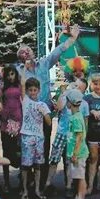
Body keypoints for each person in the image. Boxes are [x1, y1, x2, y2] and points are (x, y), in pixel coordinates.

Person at [16, 24, 81, 171]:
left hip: (45, 113)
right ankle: (26, 178)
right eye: (22, 53)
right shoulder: (18, 71)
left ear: (33, 53)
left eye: (28, 51)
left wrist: (73, 38)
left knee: (44, 145)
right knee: (27, 145)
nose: (26, 53)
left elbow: (58, 51)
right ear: (20, 58)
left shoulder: (44, 63)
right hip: (28, 116)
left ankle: (43, 180)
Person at [44, 78, 89, 195]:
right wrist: (64, 93)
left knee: (69, 161)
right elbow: (58, 107)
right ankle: (47, 183)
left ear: (83, 91)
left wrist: (83, 137)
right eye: (75, 86)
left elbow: (85, 122)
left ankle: (69, 186)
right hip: (62, 133)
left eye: (79, 88)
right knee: (54, 159)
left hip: (73, 136)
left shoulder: (84, 104)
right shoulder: (66, 99)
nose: (75, 88)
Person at [19, 76, 51, 199]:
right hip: (27, 136)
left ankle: (37, 189)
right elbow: (22, 84)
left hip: (38, 137)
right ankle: (25, 190)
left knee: (37, 165)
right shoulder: (25, 101)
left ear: (39, 90)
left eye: (35, 90)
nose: (32, 92)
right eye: (30, 90)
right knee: (25, 165)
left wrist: (44, 113)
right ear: (27, 91)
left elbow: (48, 122)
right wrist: (24, 65)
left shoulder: (42, 104)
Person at [0, 64, 23, 194]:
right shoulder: (3, 87)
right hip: (6, 121)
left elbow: (23, 101)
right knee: (6, 151)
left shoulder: (20, 86)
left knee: (19, 151)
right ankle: (6, 182)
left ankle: (22, 181)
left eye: (12, 74)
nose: (10, 76)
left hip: (18, 121)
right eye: (8, 74)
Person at [64, 88, 89, 199]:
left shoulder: (76, 118)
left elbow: (79, 137)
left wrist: (75, 153)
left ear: (70, 102)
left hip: (78, 153)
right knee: (77, 177)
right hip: (75, 152)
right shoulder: (76, 116)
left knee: (80, 177)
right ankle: (77, 198)